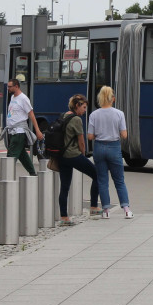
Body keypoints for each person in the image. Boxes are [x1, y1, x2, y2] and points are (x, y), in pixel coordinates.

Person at [88, 86, 133, 219]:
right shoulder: (119, 114)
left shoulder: (94, 115)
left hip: (99, 148)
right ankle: (126, 209)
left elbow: (90, 136)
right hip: (114, 147)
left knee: (102, 180)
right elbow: (124, 135)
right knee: (119, 180)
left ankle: (106, 211)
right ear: (113, 99)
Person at [56, 94, 101, 225]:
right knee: (97, 174)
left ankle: (64, 217)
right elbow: (81, 141)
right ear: (77, 106)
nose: (85, 110)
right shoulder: (77, 119)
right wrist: (83, 155)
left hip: (62, 156)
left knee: (64, 186)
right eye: (84, 107)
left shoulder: (63, 115)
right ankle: (93, 206)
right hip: (73, 155)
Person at [0, 78, 43, 179]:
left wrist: (37, 130)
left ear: (17, 86)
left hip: (19, 131)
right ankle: (32, 173)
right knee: (22, 155)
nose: (8, 88)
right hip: (12, 131)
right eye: (8, 86)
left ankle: (4, 176)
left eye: (10, 87)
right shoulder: (13, 98)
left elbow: (31, 114)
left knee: (11, 154)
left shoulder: (23, 99)